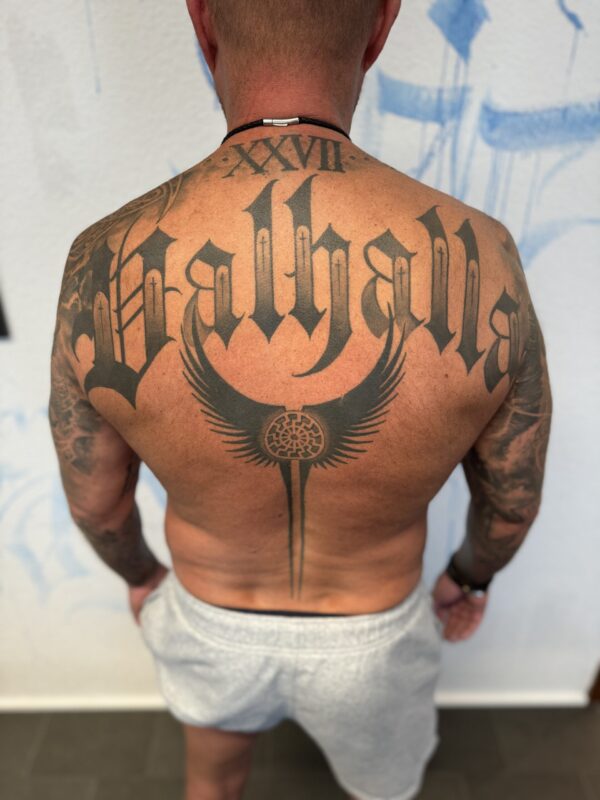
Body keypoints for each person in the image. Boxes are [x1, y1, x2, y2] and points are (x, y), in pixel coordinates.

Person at [48, 1, 552, 798]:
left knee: (213, 785)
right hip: (374, 636)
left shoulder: (100, 261)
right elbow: (511, 500)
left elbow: (96, 501)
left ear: (202, 23)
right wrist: (469, 576)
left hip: (210, 618)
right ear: (381, 26)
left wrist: (142, 576)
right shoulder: (485, 257)